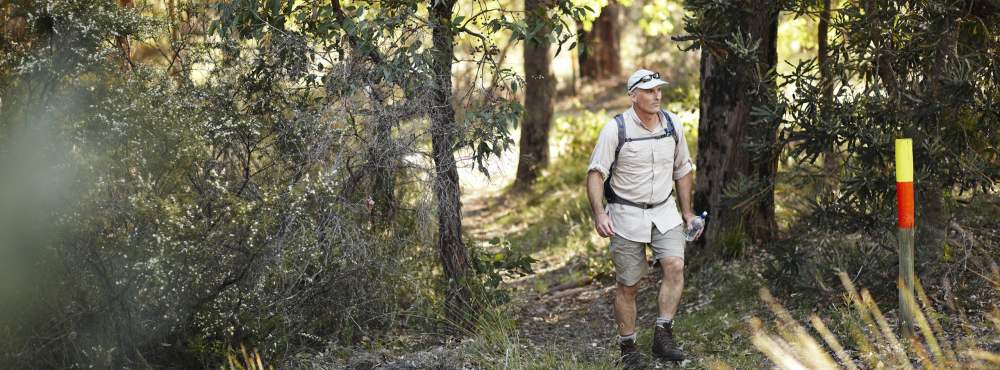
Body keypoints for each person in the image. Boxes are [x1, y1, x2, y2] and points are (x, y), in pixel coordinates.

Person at [585, 69, 701, 368]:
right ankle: (628, 347)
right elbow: (596, 174)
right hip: (625, 215)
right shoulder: (616, 129)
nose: (657, 95)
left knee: (675, 266)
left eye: (659, 89)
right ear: (633, 95)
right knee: (629, 285)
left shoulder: (673, 124)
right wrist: (600, 214)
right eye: (649, 91)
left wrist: (687, 213)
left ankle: (663, 335)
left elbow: (683, 169)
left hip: (664, 210)